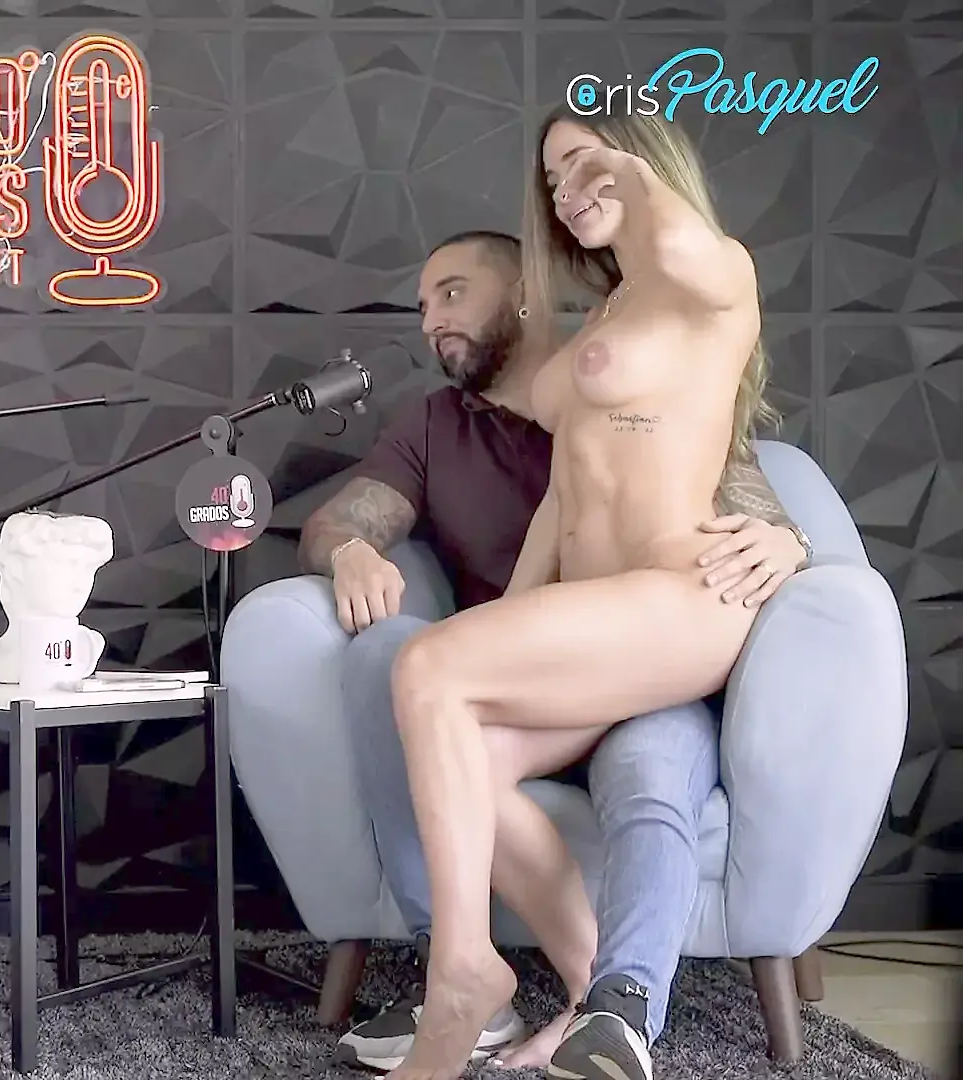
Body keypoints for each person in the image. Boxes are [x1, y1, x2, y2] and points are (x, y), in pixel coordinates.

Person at [339, 105, 795, 1080]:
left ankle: (463, 975)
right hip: (599, 616)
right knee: (461, 751)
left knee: (427, 664)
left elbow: (682, 240)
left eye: (584, 164)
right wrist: (513, 612)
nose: (567, 191)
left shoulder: (713, 281)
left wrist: (622, 172)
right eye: (552, 179)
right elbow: (563, 496)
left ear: (642, 162)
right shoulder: (613, 313)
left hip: (677, 594)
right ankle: (595, 1003)